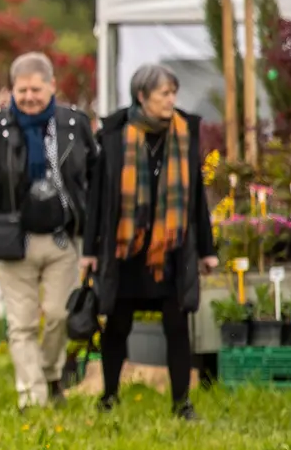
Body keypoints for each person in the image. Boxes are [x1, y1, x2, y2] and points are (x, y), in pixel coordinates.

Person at [81, 64, 217, 420]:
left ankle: (181, 404)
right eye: (164, 94)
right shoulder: (114, 134)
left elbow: (197, 197)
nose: (171, 100)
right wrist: (90, 251)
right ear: (142, 96)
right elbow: (98, 197)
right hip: (127, 249)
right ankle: (109, 396)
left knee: (176, 325)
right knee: (118, 324)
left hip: (171, 248)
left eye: (173, 92)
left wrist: (207, 249)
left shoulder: (185, 132)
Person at [0, 52, 96, 409]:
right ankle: (32, 397)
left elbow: (95, 177)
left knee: (58, 314)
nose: (29, 97)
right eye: (22, 90)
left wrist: (91, 227)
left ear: (52, 86)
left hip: (62, 238)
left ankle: (52, 376)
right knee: (21, 323)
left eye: (36, 89)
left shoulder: (73, 124)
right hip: (13, 240)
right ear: (12, 89)